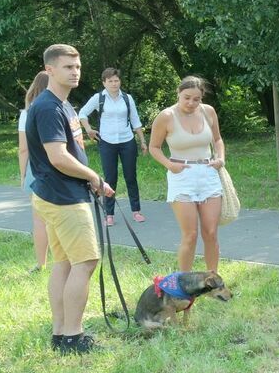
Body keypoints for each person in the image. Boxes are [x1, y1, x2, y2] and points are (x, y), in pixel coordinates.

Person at [25, 44, 115, 355]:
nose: (75, 72)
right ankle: (74, 337)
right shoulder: (49, 107)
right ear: (49, 69)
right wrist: (94, 177)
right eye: (67, 67)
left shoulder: (64, 106)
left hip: (58, 194)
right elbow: (58, 157)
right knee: (85, 262)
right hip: (63, 197)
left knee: (63, 263)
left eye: (77, 67)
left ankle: (60, 334)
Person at [148, 76, 226, 273]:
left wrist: (220, 158)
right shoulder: (166, 116)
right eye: (187, 98)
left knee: (211, 233)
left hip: (208, 174)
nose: (191, 103)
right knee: (190, 235)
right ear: (178, 94)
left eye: (196, 99)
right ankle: (184, 282)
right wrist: (169, 165)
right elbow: (154, 147)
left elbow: (217, 140)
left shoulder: (208, 112)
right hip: (181, 174)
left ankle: (212, 279)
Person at [78, 67, 147, 226]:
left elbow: (135, 121)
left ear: (120, 81)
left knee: (131, 177)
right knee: (110, 178)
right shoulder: (98, 98)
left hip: (127, 141)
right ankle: (109, 214)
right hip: (107, 142)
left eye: (116, 80)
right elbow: (82, 113)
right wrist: (88, 129)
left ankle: (136, 211)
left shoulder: (127, 98)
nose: (114, 84)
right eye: (110, 81)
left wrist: (142, 141)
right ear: (104, 82)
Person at [18, 71, 50, 272]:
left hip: (36, 168)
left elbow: (23, 148)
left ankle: (41, 263)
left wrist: (23, 175)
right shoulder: (62, 109)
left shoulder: (27, 113)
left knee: (39, 219)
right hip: (60, 167)